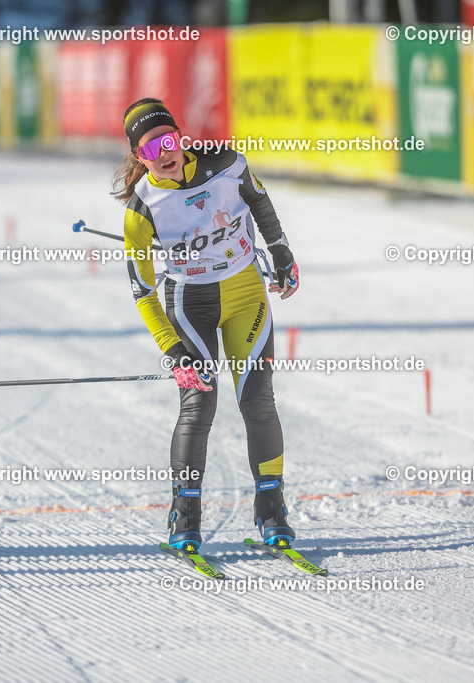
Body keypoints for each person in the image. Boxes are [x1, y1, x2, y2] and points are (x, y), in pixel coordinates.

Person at [113, 97, 300, 552]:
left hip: (245, 295)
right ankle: (185, 514)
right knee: (200, 404)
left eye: (168, 140)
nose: (165, 152)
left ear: (181, 137)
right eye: (152, 149)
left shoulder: (227, 164)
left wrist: (282, 255)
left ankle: (271, 509)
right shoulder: (141, 210)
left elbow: (260, 201)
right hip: (188, 305)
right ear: (140, 158)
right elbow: (143, 291)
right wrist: (172, 352)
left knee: (258, 401)